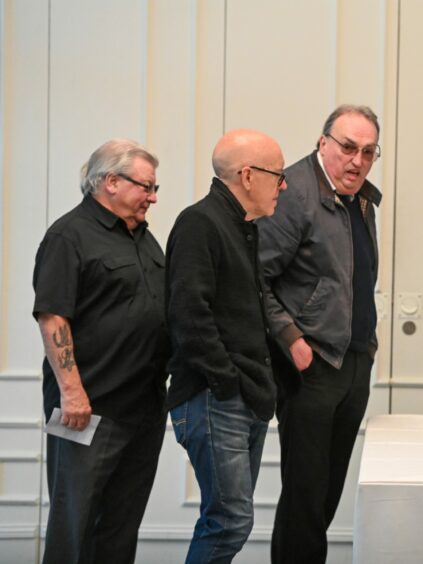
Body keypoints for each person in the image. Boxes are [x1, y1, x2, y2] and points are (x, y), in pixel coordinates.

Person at [32, 139, 169, 563]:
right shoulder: (68, 236)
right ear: (110, 181)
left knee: (120, 527)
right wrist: (72, 393)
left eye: (154, 187)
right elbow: (53, 318)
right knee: (74, 526)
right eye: (145, 186)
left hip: (143, 409)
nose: (152, 196)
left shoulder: (144, 238)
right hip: (86, 410)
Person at [258, 104, 382, 563]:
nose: (357, 160)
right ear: (322, 142)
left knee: (324, 495)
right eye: (348, 147)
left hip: (353, 362)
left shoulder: (361, 198)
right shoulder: (293, 192)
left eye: (369, 152)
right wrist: (290, 337)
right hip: (311, 366)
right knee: (307, 497)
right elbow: (254, 279)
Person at [166, 128, 286, 563]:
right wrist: (225, 382)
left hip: (240, 396)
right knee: (229, 522)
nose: (284, 184)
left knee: (230, 520)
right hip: (215, 397)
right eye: (279, 174)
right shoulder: (201, 222)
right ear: (248, 175)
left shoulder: (242, 226)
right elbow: (188, 313)